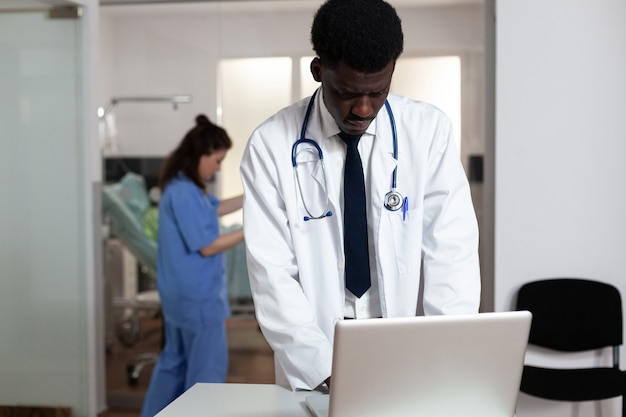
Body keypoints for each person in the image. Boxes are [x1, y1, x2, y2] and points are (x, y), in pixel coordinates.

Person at [239, 0, 481, 392]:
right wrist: (324, 370)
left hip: (406, 348)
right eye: (348, 93)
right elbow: (272, 274)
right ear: (319, 71)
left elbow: (451, 252)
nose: (363, 109)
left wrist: (445, 351)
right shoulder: (271, 144)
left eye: (378, 91)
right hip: (315, 354)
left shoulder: (427, 132)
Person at [141, 115, 244, 417]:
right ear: (201, 154)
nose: (219, 167)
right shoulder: (185, 192)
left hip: (179, 296)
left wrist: (255, 195)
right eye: (217, 159)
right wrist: (252, 229)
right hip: (197, 299)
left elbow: (217, 207)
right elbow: (207, 245)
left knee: (173, 363)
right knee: (206, 374)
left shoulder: (182, 185)